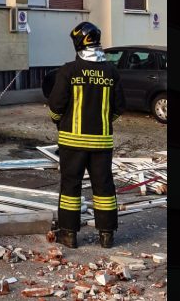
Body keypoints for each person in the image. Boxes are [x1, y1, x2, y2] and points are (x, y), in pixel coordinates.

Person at [47, 21, 125, 249]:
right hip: (102, 142)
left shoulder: (69, 70)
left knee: (71, 187)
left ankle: (68, 235)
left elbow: (56, 105)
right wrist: (103, 122)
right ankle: (107, 236)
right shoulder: (111, 72)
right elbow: (119, 107)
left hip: (72, 142)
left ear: (78, 42)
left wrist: (60, 122)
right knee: (104, 187)